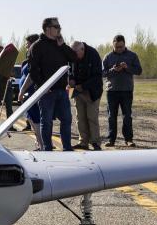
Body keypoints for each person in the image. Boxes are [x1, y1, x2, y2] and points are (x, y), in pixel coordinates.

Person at [28, 17, 76, 151]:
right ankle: (47, 149)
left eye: (59, 27)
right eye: (57, 27)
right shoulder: (37, 46)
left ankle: (67, 148)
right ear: (48, 29)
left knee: (66, 120)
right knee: (47, 122)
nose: (59, 29)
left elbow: (73, 58)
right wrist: (43, 87)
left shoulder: (59, 44)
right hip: (46, 92)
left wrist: (63, 46)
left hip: (62, 90)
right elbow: (33, 71)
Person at [102, 35, 142, 147]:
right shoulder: (108, 57)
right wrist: (113, 70)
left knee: (127, 116)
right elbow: (102, 73)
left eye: (121, 46)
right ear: (113, 45)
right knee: (111, 116)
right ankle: (111, 140)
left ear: (124, 44)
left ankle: (128, 139)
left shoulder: (132, 56)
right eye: (117, 47)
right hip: (111, 91)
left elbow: (139, 71)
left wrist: (127, 67)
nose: (119, 49)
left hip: (127, 91)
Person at [69, 40, 103, 150]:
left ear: (82, 49)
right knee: (80, 117)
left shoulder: (94, 54)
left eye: (76, 53)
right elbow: (69, 71)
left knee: (91, 117)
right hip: (76, 91)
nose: (74, 56)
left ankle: (95, 142)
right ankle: (83, 142)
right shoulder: (73, 55)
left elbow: (97, 76)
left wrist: (83, 86)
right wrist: (71, 80)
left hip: (92, 91)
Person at [17, 34, 43, 150]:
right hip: (26, 96)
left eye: (27, 45)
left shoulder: (38, 60)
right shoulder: (27, 60)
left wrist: (22, 91)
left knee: (36, 120)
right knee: (31, 120)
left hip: (32, 94)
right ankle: (39, 143)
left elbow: (32, 76)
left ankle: (42, 145)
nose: (26, 47)